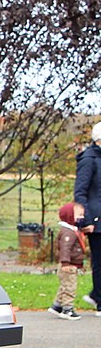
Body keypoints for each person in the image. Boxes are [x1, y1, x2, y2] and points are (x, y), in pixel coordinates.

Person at [72, 121, 101, 313]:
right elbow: (80, 192)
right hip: (96, 220)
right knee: (99, 262)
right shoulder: (89, 159)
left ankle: (96, 295)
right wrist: (87, 220)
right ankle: (99, 299)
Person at [51, 203, 87, 320]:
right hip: (68, 265)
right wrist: (65, 263)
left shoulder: (73, 230)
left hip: (71, 264)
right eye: (79, 215)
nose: (81, 218)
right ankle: (67, 309)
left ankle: (57, 306)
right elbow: (65, 248)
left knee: (64, 286)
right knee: (70, 287)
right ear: (70, 216)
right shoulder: (68, 232)